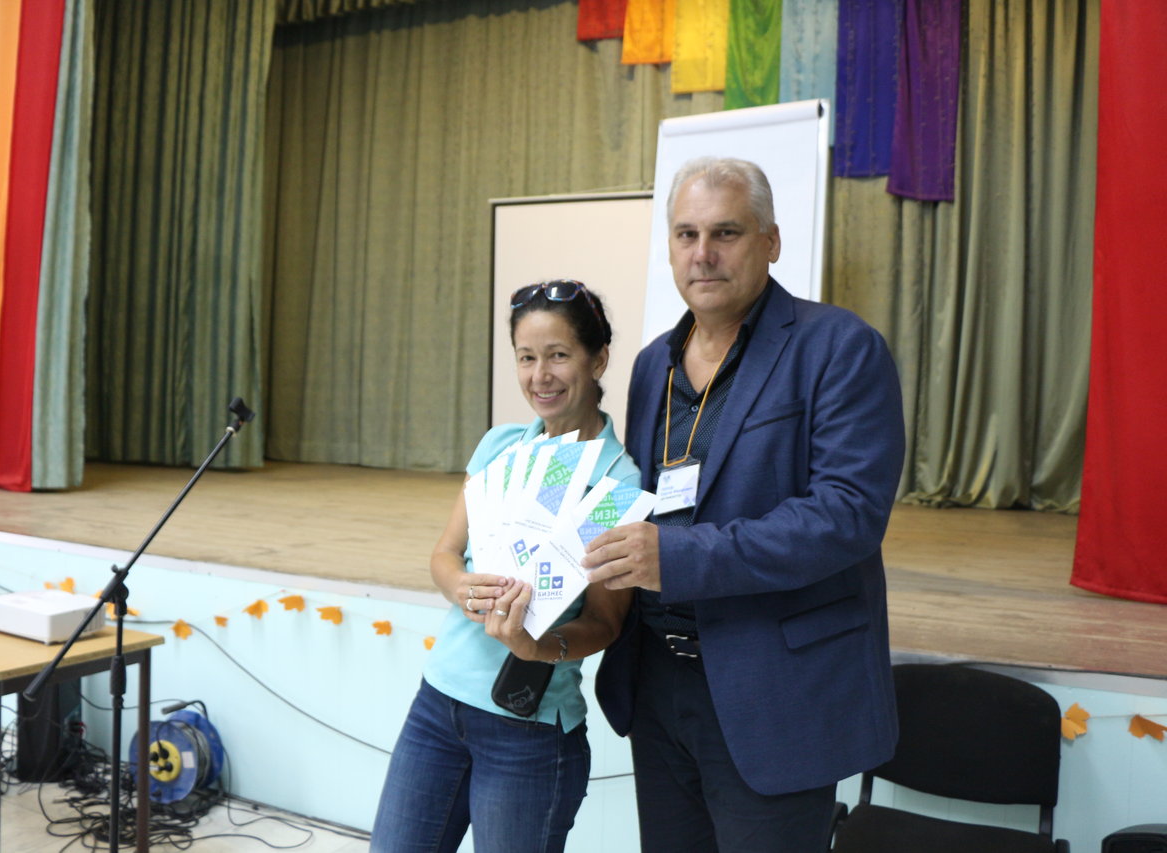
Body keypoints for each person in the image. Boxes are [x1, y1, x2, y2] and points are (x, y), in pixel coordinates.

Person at [582, 157, 906, 852]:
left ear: (771, 241)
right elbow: (637, 497)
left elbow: (846, 514)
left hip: (773, 690)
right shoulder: (652, 364)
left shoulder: (839, 347)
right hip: (657, 683)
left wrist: (678, 557)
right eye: (686, 234)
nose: (703, 253)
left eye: (725, 232)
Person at [371, 280, 641, 853]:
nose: (540, 376)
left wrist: (536, 647)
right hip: (437, 704)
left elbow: (605, 623)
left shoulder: (616, 483)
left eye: (558, 355)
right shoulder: (500, 447)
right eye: (526, 357)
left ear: (598, 359)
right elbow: (445, 554)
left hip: (527, 730)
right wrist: (461, 587)